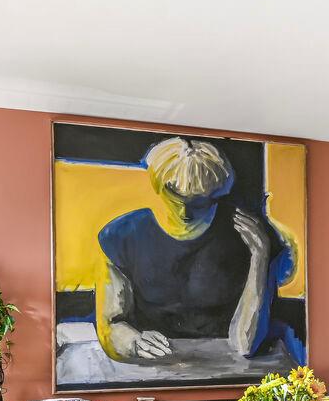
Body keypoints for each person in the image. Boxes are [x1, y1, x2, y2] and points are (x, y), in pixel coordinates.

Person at [95, 136, 298, 363]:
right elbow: (111, 324)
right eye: (174, 193)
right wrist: (133, 342)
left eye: (199, 199)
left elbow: (244, 345)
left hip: (228, 366)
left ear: (216, 193)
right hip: (155, 364)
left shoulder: (248, 236)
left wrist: (260, 258)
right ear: (158, 184)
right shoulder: (121, 236)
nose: (185, 211)